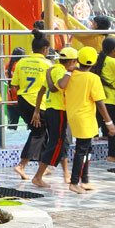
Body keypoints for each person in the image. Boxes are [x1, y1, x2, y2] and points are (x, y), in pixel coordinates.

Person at [64, 47, 111, 192]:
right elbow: (100, 102)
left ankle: (85, 180)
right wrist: (109, 122)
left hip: (76, 116)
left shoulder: (71, 75)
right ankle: (74, 183)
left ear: (78, 60)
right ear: (94, 62)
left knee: (87, 149)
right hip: (84, 118)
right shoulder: (93, 78)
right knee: (81, 150)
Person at [10, 30, 53, 179]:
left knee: (40, 131)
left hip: (22, 100)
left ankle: (43, 165)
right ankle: (22, 165)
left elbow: (14, 84)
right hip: (38, 103)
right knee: (38, 133)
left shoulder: (21, 62)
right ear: (45, 49)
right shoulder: (47, 64)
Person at [32, 47, 76, 189]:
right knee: (56, 144)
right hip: (58, 110)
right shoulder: (61, 71)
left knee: (60, 143)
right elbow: (56, 87)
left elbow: (41, 91)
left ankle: (64, 173)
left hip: (51, 110)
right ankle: (38, 176)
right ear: (71, 61)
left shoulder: (53, 69)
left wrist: (37, 111)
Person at [94, 37, 115, 162]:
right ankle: (112, 155)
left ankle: (83, 151)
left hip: (97, 98)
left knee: (93, 126)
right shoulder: (112, 61)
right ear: (113, 50)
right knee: (113, 129)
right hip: (108, 100)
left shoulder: (100, 59)